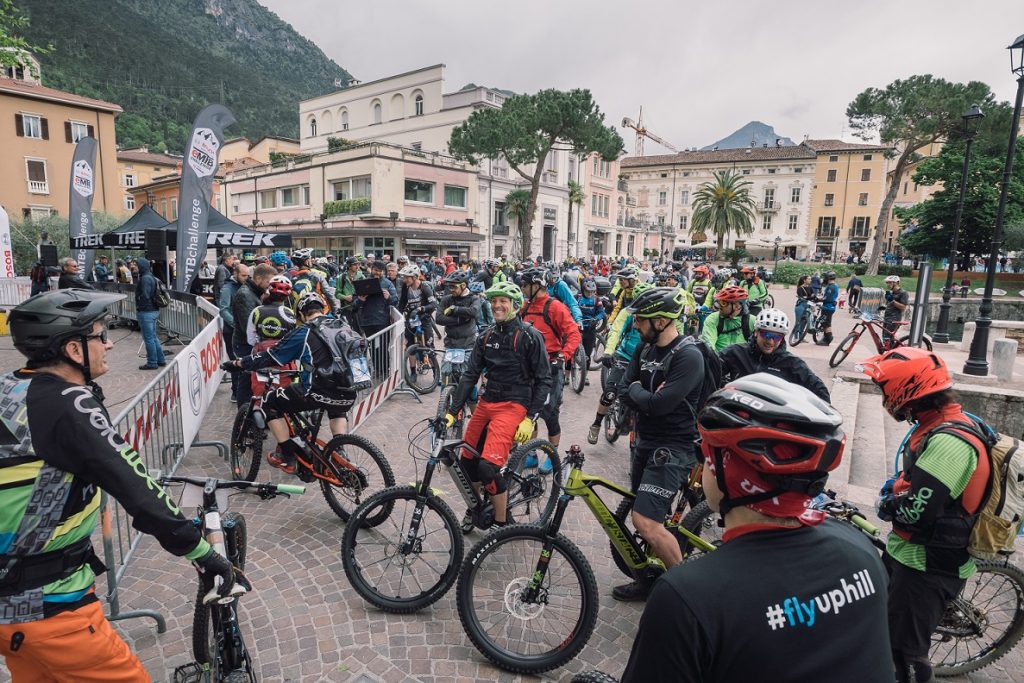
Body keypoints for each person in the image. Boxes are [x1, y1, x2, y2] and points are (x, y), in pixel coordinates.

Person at [1, 290, 238, 680]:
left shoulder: (9, 387)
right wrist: (202, 552)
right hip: (51, 604)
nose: (110, 343)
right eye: (100, 334)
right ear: (74, 351)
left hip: (12, 608)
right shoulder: (70, 404)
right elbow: (138, 488)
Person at [621, 374, 891, 683]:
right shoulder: (861, 550)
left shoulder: (687, 598)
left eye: (705, 453)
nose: (701, 464)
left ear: (729, 471)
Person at [861, 348, 989, 683]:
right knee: (885, 638)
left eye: (886, 390)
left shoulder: (949, 444)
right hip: (910, 556)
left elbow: (916, 514)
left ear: (907, 391)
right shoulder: (937, 423)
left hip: (927, 566)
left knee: (905, 655)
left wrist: (887, 505)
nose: (885, 398)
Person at [613, 287, 704, 602]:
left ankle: (685, 596)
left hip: (675, 447)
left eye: (641, 319)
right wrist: (644, 394)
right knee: (648, 515)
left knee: (646, 521)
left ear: (663, 320)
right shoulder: (644, 349)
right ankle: (649, 579)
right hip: (645, 441)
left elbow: (659, 405)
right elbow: (624, 388)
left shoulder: (688, 356)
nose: (636, 324)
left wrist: (642, 394)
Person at [443, 282, 552, 530]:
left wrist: (530, 418)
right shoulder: (487, 335)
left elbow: (545, 379)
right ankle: (476, 508)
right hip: (487, 401)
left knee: (488, 468)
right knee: (467, 463)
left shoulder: (529, 336)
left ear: (515, 305)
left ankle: (501, 526)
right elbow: (470, 375)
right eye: (494, 301)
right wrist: (452, 412)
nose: (497, 306)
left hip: (514, 404)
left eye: (503, 301)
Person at [225, 292, 358, 473]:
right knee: (336, 409)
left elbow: (271, 356)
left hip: (316, 391)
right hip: (349, 391)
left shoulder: (304, 332)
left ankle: (287, 456)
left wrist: (239, 363)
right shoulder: (342, 326)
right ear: (323, 309)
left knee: (268, 402)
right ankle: (339, 449)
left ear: (301, 314)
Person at [519, 268, 581, 461]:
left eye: (524, 285)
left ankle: (552, 456)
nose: (522, 289)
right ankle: (531, 452)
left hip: (551, 368)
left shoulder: (555, 307)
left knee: (550, 413)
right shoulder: (525, 306)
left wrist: (564, 354)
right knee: (530, 411)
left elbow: (573, 333)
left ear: (536, 286)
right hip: (529, 368)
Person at [588, 281, 653, 444]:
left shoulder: (656, 315)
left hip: (647, 360)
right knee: (610, 394)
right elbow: (616, 331)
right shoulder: (627, 313)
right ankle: (596, 424)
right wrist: (608, 352)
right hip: (624, 356)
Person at [720, 308, 830, 402]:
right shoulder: (735, 352)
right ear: (756, 332)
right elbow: (711, 370)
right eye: (766, 334)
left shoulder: (792, 363)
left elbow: (820, 391)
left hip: (771, 420)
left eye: (777, 337)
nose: (771, 342)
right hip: (736, 412)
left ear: (782, 338)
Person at [231, 263, 275, 404]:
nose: (270, 285)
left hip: (250, 342)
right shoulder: (245, 295)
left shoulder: (254, 292)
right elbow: (248, 326)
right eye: (268, 282)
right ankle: (244, 417)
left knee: (251, 377)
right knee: (246, 378)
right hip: (245, 343)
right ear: (258, 279)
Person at [355, 260, 398, 378]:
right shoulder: (362, 283)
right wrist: (360, 300)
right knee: (372, 348)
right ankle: (377, 369)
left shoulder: (388, 284)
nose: (377, 273)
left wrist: (388, 297)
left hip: (382, 321)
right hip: (367, 321)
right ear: (371, 269)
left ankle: (385, 370)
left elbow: (395, 300)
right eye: (375, 270)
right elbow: (354, 304)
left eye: (379, 271)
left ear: (383, 272)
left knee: (383, 347)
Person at [434, 270, 481, 353]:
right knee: (445, 366)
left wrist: (455, 309)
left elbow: (474, 312)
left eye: (453, 286)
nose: (451, 289)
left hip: (468, 345)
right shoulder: (446, 299)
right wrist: (458, 320)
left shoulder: (474, 298)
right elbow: (438, 318)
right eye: (449, 286)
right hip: (450, 344)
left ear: (463, 285)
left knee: (467, 365)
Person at [135, 256, 167, 371]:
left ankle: (152, 362)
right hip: (152, 311)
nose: (135, 267)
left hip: (147, 311)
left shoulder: (145, 278)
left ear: (141, 266)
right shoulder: (150, 277)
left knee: (149, 338)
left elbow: (146, 295)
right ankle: (160, 360)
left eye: (137, 265)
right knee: (153, 337)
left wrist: (140, 306)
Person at [701, 285, 753, 352]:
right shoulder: (713, 319)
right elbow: (708, 345)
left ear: (737, 306)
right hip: (718, 360)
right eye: (718, 302)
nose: (719, 306)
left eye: (723, 303)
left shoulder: (752, 322)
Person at [398, 264, 437, 348]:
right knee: (410, 346)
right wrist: (398, 317)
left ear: (415, 277)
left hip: (424, 320)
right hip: (411, 320)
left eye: (407, 278)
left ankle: (430, 360)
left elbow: (434, 304)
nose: (404, 280)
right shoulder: (406, 287)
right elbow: (402, 303)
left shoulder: (425, 287)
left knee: (428, 346)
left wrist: (421, 308)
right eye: (404, 277)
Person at [576, 278, 606, 368]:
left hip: (590, 327)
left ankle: (585, 375)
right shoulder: (577, 297)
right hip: (577, 326)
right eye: (588, 292)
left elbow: (601, 313)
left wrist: (596, 318)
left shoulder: (596, 299)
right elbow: (569, 306)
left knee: (587, 354)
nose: (590, 294)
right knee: (571, 350)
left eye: (592, 292)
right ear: (583, 290)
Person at [335, 256, 364, 324]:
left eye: (358, 264)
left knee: (360, 331)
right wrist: (345, 297)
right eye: (355, 264)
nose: (357, 266)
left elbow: (365, 290)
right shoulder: (342, 277)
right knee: (346, 329)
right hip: (346, 308)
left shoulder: (361, 277)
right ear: (349, 266)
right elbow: (337, 294)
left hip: (358, 308)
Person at [882, 275, 909, 347]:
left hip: (894, 318)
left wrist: (893, 301)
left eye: (889, 283)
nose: (887, 284)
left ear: (896, 283)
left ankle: (894, 352)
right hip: (887, 317)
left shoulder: (903, 293)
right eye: (887, 283)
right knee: (885, 338)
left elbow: (903, 307)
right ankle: (891, 351)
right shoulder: (891, 292)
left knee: (887, 338)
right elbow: (890, 305)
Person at [816, 271, 839, 346]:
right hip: (828, 306)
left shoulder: (831, 287)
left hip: (828, 307)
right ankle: (825, 337)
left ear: (828, 277)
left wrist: (819, 299)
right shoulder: (833, 285)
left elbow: (828, 298)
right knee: (824, 322)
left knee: (827, 323)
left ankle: (828, 338)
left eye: (826, 277)